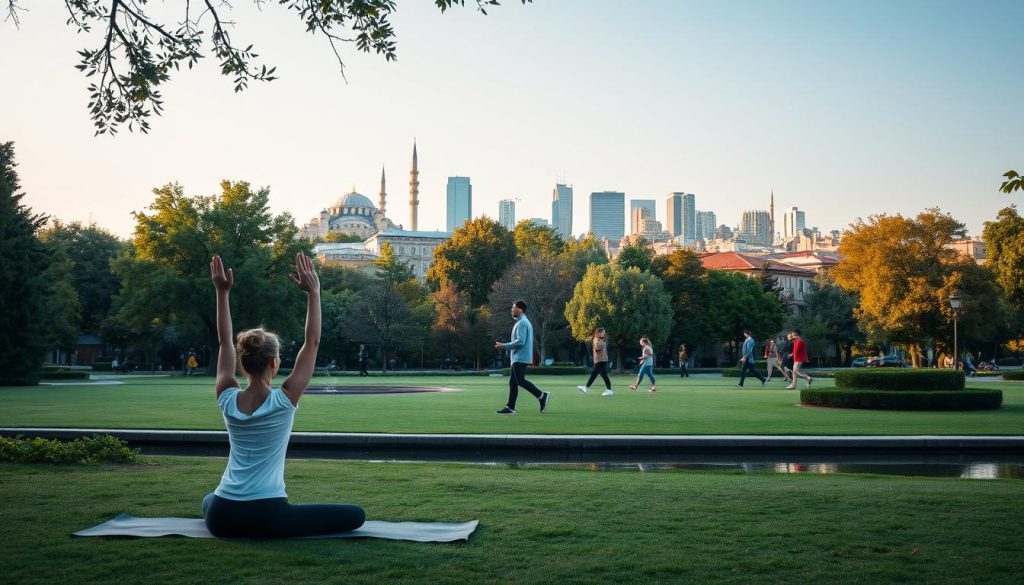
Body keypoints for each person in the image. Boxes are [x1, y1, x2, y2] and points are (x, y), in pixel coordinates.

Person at [201, 253, 364, 538]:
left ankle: (222, 508)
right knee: (355, 516)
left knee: (208, 500)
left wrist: (221, 292)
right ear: (274, 363)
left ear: (242, 363)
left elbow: (224, 341)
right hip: (267, 515)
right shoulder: (284, 400)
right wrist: (314, 293)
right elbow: (312, 342)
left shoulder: (226, 396)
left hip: (221, 515)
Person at [494, 300, 550, 415]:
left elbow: (520, 342)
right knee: (513, 383)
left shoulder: (522, 323)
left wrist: (504, 346)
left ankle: (542, 395)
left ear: (520, 309)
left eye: (513, 308)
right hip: (518, 357)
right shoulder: (521, 322)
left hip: (520, 357)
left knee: (520, 380)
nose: (512, 310)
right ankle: (510, 407)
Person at [578, 327, 614, 396]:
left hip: (602, 360)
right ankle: (609, 390)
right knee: (600, 375)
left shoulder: (600, 340)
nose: (604, 334)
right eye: (603, 333)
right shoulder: (597, 340)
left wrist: (603, 342)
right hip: (600, 360)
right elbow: (597, 348)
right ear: (599, 333)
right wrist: (603, 344)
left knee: (597, 375)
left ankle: (586, 388)